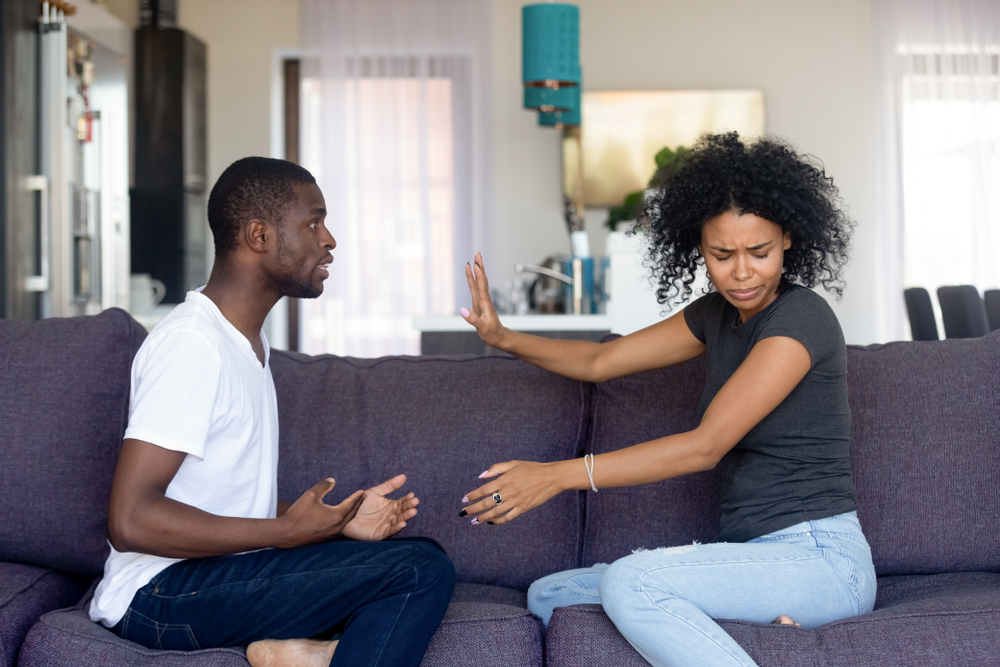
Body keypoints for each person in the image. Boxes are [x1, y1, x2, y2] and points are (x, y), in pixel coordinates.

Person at [458, 132, 875, 667]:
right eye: (722, 254)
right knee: (552, 595)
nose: (742, 272)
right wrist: (504, 337)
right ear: (698, 247)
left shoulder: (801, 320)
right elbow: (600, 363)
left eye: (760, 252)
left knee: (633, 582)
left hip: (821, 562)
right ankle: (762, 635)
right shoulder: (714, 315)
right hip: (752, 562)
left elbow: (706, 446)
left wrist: (556, 475)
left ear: (790, 239)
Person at [89, 157, 455, 667]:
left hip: (217, 574)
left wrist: (337, 521)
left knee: (419, 559)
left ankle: (302, 654)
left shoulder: (248, 341)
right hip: (157, 594)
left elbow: (223, 495)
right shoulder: (193, 344)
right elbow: (130, 519)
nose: (329, 240)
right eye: (313, 222)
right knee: (418, 571)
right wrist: (285, 534)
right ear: (258, 235)